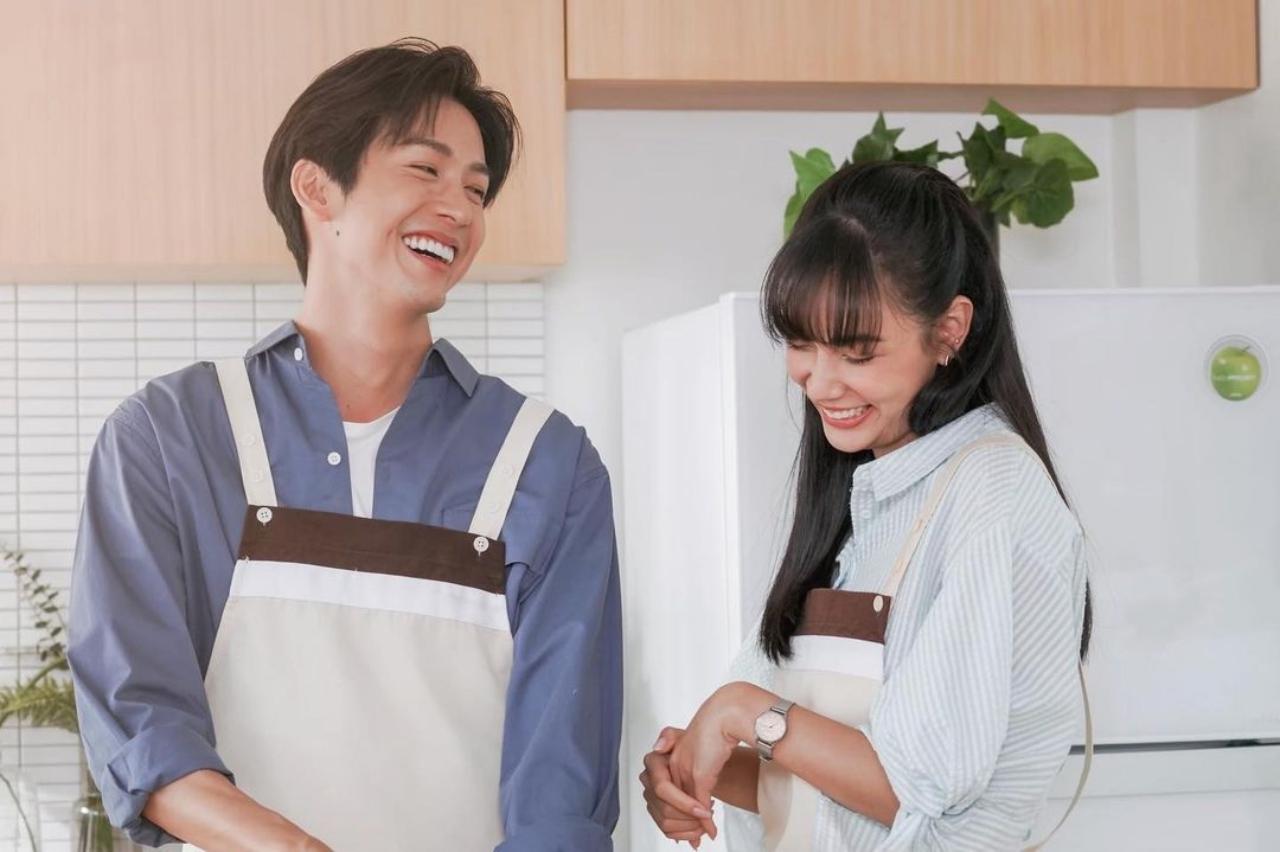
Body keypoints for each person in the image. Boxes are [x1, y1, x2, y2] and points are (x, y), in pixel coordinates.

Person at [68, 39, 621, 851]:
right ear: (316, 187)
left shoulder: (547, 463)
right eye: (425, 170)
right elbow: (141, 732)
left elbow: (561, 791)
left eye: (476, 189)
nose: (460, 209)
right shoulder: (170, 438)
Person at [640, 161, 1090, 850]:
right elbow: (804, 783)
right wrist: (690, 773)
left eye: (857, 352)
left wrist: (742, 710)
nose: (820, 382)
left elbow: (916, 792)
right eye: (800, 344)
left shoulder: (992, 492)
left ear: (949, 329)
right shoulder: (865, 501)